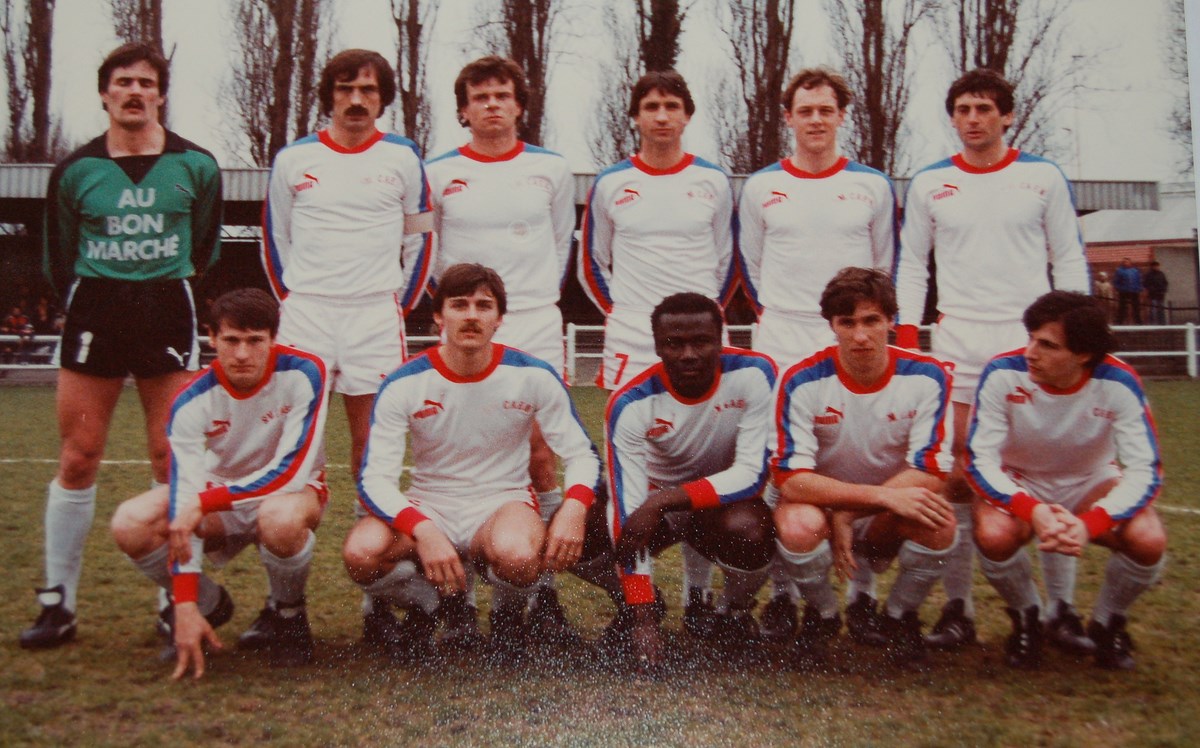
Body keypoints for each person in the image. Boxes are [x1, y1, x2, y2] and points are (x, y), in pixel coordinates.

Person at [21, 43, 222, 649]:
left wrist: (161, 283)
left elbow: (205, 247)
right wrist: (97, 291)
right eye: (123, 82)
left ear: (160, 94)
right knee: (79, 456)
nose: (135, 92)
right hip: (97, 309)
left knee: (171, 458)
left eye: (146, 83)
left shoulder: (197, 165)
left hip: (166, 308)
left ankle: (174, 598)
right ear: (104, 93)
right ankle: (58, 603)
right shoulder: (75, 170)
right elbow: (58, 256)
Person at [893, 68, 1090, 650]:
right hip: (959, 346)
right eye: (963, 109)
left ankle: (1060, 611)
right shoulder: (931, 183)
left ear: (1008, 115)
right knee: (955, 477)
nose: (973, 119)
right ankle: (959, 609)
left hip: (1030, 346)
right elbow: (912, 264)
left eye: (984, 108)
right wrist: (908, 338)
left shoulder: (1042, 177)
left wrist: (1075, 340)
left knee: (1043, 471)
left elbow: (1068, 257)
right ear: (953, 118)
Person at [343, 263, 600, 663]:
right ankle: (429, 603)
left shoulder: (532, 375)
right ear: (438, 316)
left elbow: (582, 453)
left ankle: (507, 616)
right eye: (459, 305)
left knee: (518, 556)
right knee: (361, 554)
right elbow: (374, 479)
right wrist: (423, 529)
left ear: (499, 319)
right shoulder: (404, 382)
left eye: (484, 306)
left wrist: (574, 507)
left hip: (502, 501)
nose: (471, 315)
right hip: (430, 502)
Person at [262, 49, 433, 641]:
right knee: (294, 451)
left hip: (374, 315)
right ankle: (283, 606)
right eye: (344, 88)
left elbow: (420, 239)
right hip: (307, 314)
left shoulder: (403, 158)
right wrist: (297, 299)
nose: (356, 100)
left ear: (383, 98)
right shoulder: (294, 160)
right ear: (328, 95)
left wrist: (394, 304)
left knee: (372, 451)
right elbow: (275, 241)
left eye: (368, 90)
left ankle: (376, 599)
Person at [738, 67, 898, 642]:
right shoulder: (761, 187)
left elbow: (883, 268)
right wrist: (784, 316)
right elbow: (751, 268)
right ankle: (784, 596)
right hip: (783, 336)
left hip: (850, 335)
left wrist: (854, 325)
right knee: (785, 468)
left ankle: (862, 597)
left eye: (825, 110)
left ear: (841, 116)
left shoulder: (872, 185)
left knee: (858, 457)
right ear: (788, 117)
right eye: (804, 110)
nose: (815, 119)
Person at [426, 56, 578, 641]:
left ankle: (540, 593)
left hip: (532, 317)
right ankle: (457, 595)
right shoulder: (437, 172)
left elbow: (560, 244)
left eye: (503, 95)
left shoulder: (551, 169)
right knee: (457, 448)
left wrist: (529, 300)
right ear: (463, 110)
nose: (492, 104)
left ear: (519, 106)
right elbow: (427, 250)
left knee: (539, 453)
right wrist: (460, 309)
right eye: (480, 96)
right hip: (465, 322)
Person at [110, 289, 328, 678]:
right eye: (231, 340)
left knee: (278, 519)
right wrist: (185, 602)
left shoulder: (305, 372)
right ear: (212, 338)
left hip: (291, 493)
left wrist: (203, 503)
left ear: (273, 338)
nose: (242, 353)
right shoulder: (190, 400)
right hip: (219, 494)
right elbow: (185, 495)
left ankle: (288, 615)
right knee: (131, 522)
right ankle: (209, 605)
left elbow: (291, 471)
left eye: (255, 340)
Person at [966, 291, 1165, 670]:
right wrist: (1032, 510)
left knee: (1148, 539)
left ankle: (1107, 622)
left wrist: (1092, 523)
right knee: (994, 534)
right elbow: (980, 460)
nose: (1030, 353)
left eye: (1047, 345)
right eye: (1031, 339)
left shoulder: (1119, 381)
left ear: (1084, 354)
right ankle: (1027, 617)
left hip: (1092, 480)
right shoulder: (1002, 373)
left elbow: (1145, 470)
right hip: (1020, 478)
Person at [770, 268, 955, 667]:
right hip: (827, 505)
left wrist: (851, 512)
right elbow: (791, 480)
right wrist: (853, 506)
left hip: (887, 507)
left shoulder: (928, 375)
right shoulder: (800, 379)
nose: (860, 335)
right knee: (798, 525)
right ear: (831, 325)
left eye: (871, 320)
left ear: (891, 321)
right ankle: (821, 615)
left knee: (939, 521)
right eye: (847, 322)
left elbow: (931, 471)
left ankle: (900, 617)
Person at [601, 292, 777, 669]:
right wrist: (643, 617)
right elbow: (628, 511)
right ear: (656, 346)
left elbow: (751, 474)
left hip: (718, 504)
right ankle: (638, 606)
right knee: (586, 532)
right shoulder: (630, 402)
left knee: (752, 530)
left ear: (721, 339)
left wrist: (662, 501)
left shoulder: (755, 374)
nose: (688, 354)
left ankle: (732, 611)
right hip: (656, 509)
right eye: (673, 343)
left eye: (701, 341)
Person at [578, 70, 737, 391]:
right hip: (632, 331)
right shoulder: (610, 183)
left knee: (709, 419)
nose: (662, 116)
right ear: (636, 117)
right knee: (627, 420)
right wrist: (620, 310)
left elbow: (730, 261)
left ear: (687, 115)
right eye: (651, 107)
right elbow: (591, 262)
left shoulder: (714, 181)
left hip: (700, 330)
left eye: (672, 106)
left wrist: (706, 311)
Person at [1112, 258, 1143, 325]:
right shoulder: (1120, 271)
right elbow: (1116, 281)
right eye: (1124, 262)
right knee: (1122, 307)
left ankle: (1138, 321)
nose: (1126, 263)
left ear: (1130, 263)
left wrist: (1139, 288)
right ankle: (1119, 322)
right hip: (1124, 291)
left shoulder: (1135, 271)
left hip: (1134, 291)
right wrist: (1118, 288)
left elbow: (1139, 280)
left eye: (1127, 262)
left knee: (1136, 307)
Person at [1143, 261, 1168, 325]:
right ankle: (1153, 323)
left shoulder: (1161, 274)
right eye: (1155, 266)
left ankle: (1162, 323)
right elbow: (1146, 284)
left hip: (1161, 295)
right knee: (1153, 310)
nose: (1157, 267)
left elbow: (1165, 283)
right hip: (1153, 295)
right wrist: (1151, 289)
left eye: (1157, 266)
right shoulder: (1149, 275)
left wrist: (1164, 290)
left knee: (1161, 309)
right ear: (1152, 267)